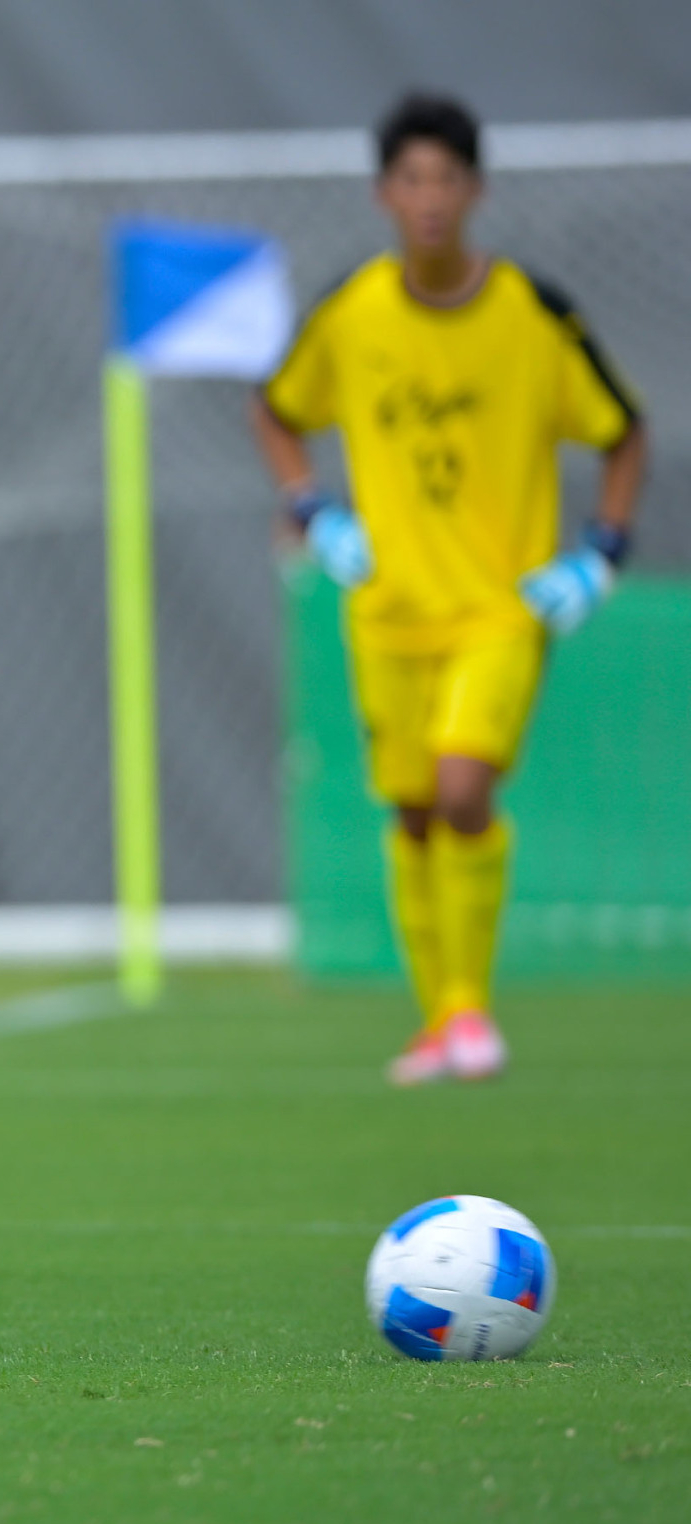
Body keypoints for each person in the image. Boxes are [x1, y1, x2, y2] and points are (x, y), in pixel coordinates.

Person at [252, 91, 646, 1085]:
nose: (429, 199)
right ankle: (438, 1021)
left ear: (474, 190)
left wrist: (599, 550)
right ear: (386, 194)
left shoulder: (532, 313)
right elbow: (275, 406)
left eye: (447, 179)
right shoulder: (351, 311)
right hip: (385, 609)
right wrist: (310, 511)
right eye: (411, 179)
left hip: (497, 609)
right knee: (414, 812)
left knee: (463, 787)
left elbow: (621, 430)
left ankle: (469, 1011)